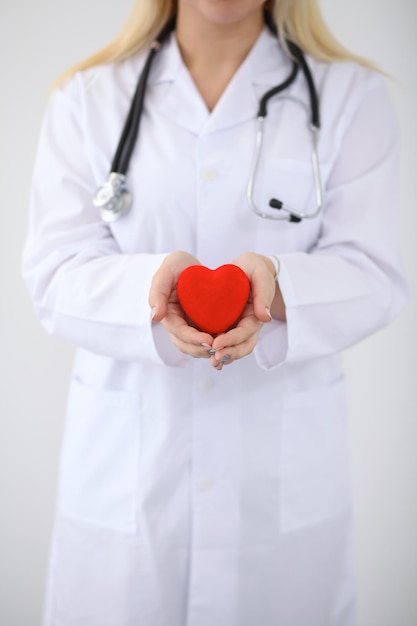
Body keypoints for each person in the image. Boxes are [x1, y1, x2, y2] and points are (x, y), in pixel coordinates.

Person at [22, 1, 408, 625]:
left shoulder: (348, 95)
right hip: (127, 487)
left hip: (280, 501)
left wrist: (276, 288)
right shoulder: (88, 97)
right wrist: (151, 289)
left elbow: (374, 271)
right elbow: (54, 273)